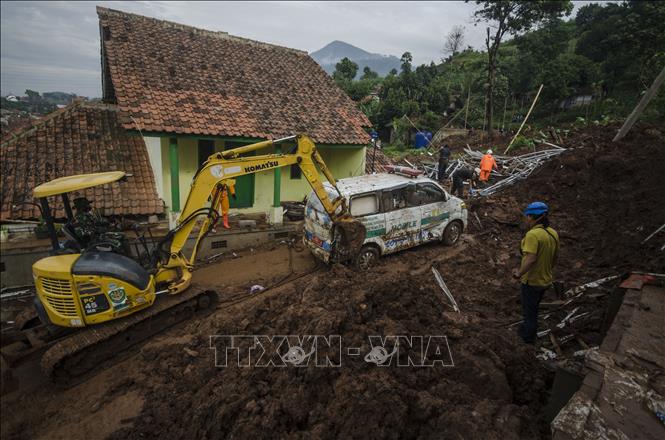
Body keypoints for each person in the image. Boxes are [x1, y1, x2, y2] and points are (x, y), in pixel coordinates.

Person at [512, 202, 559, 344]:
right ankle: (528, 330)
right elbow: (555, 257)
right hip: (546, 279)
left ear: (534, 217)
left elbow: (531, 259)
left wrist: (518, 273)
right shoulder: (553, 233)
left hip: (532, 281)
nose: (526, 219)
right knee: (534, 307)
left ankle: (527, 338)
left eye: (528, 216)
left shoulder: (533, 235)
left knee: (529, 312)